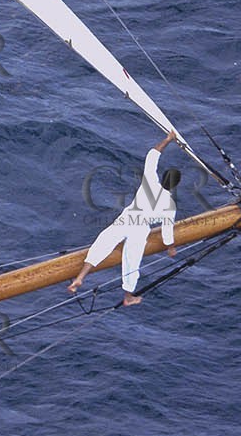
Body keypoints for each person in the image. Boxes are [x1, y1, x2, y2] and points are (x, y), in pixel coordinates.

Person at [69, 130, 181, 306]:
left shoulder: (150, 182)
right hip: (140, 228)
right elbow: (167, 231)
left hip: (128, 217)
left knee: (102, 243)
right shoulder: (169, 204)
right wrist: (171, 248)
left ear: (164, 177)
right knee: (132, 263)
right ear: (174, 186)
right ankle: (128, 297)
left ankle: (80, 277)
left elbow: (152, 157)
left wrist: (168, 139)